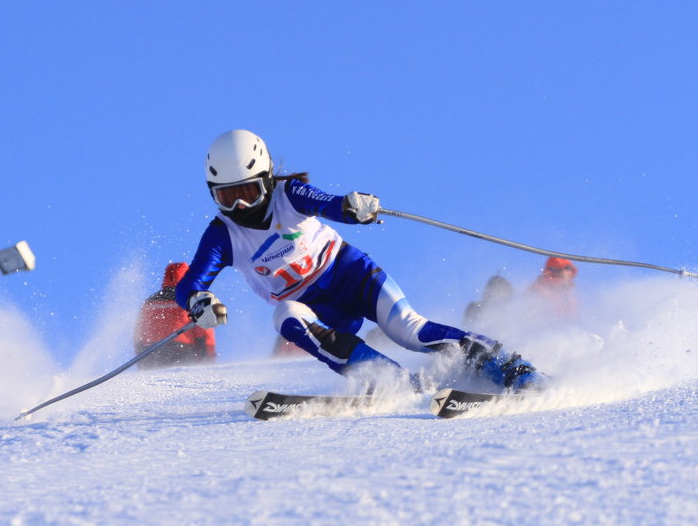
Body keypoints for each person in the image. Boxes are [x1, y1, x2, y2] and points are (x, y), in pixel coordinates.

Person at [174, 129, 547, 392]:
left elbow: (329, 204)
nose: (241, 206)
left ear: (267, 179)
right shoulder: (222, 234)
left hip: (352, 276)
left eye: (249, 192)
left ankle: (512, 369)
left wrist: (355, 208)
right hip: (318, 310)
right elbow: (191, 282)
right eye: (227, 198)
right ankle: (393, 382)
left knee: (410, 331)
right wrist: (196, 301)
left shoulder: (288, 194)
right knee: (284, 316)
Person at [134, 262, 217, 369]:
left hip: (151, 351)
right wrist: (208, 359)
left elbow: (139, 333)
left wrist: (141, 359)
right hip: (182, 349)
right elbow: (203, 332)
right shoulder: (192, 299)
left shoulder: (150, 302)